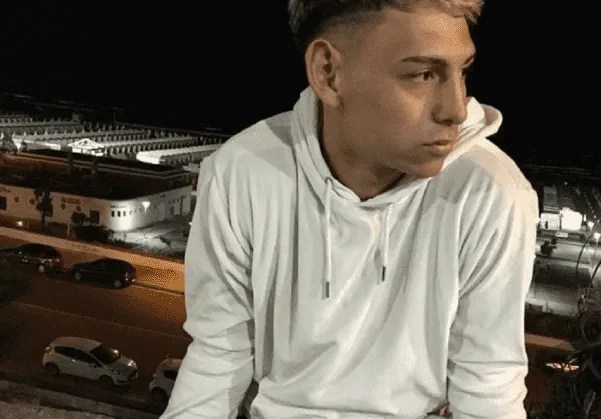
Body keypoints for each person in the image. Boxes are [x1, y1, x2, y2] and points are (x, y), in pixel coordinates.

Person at [162, 0, 539, 417]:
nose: (456, 109)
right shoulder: (241, 172)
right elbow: (217, 356)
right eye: (422, 75)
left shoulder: (490, 192)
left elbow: (488, 390)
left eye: (462, 72)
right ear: (328, 73)